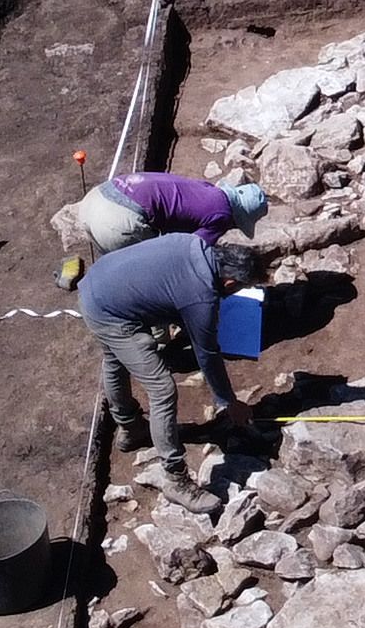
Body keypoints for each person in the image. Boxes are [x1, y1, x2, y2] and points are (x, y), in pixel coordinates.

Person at [78, 224, 247, 490]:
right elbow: (207, 354)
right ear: (230, 282)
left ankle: (131, 429)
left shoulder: (192, 243)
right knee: (162, 389)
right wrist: (229, 402)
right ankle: (176, 479)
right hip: (109, 313)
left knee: (114, 359)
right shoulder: (201, 296)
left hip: (99, 282)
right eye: (238, 290)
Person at [57, 171, 265, 284]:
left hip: (99, 196)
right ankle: (157, 333)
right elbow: (190, 253)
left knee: (118, 265)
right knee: (152, 276)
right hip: (118, 220)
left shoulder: (209, 189)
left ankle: (95, 290)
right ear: (239, 217)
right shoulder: (223, 214)